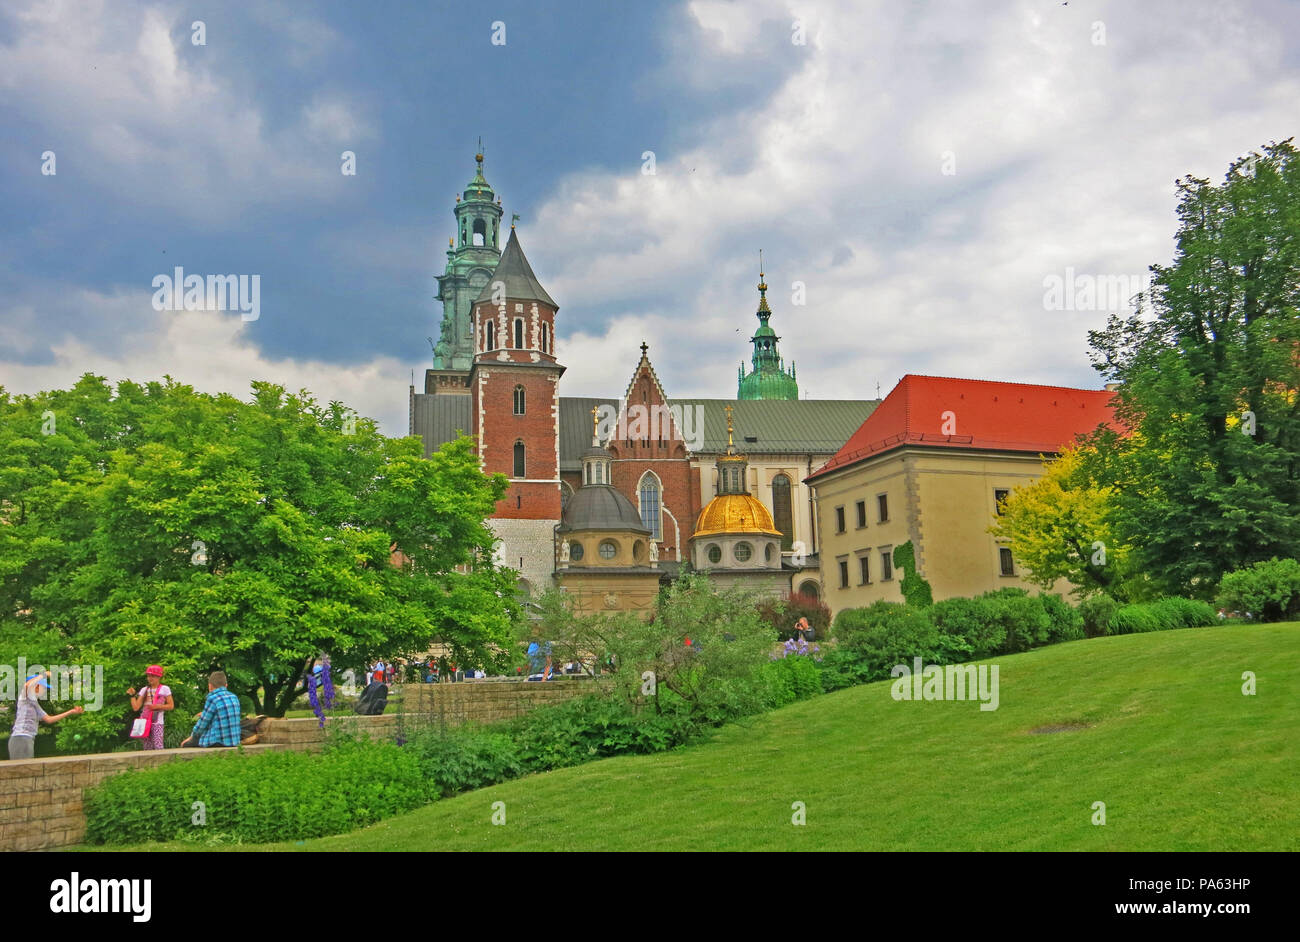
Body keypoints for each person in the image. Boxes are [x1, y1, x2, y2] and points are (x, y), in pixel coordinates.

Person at [6, 671, 84, 759]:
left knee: (26, 770)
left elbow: (49, 719)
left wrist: (71, 712)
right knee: (21, 771)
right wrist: (44, 674)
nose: (45, 690)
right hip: (20, 738)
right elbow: (27, 686)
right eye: (44, 687)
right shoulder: (24, 698)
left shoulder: (35, 704)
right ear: (36, 687)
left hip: (28, 739)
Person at [181, 671, 242, 748]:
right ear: (226, 685)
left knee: (185, 745)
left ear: (210, 686)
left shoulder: (212, 698)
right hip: (234, 740)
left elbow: (202, 724)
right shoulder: (234, 697)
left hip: (217, 741)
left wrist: (191, 738)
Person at [127, 665, 174, 750]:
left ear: (159, 677)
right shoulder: (144, 689)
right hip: (144, 722)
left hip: (157, 722)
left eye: (153, 676)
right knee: (147, 747)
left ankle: (161, 762)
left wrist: (157, 706)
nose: (150, 678)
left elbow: (171, 706)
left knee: (158, 746)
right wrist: (132, 696)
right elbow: (136, 707)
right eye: (148, 676)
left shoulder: (165, 689)